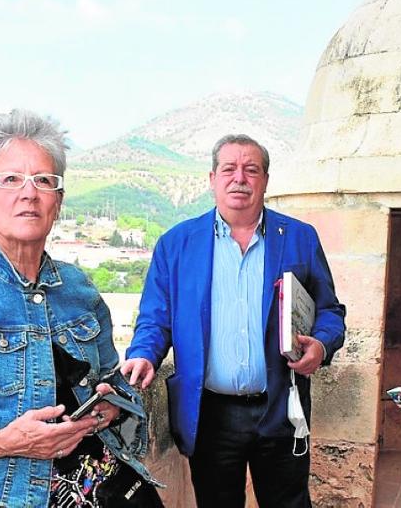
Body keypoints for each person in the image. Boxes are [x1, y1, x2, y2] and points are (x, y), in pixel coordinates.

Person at [0, 109, 162, 508]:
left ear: (58, 201)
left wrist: (108, 408)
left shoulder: (78, 288)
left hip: (114, 493)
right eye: (10, 180)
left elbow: (115, 382)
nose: (29, 193)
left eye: (44, 181)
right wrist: (7, 442)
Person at [120, 134, 346, 508]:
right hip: (209, 416)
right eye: (229, 169)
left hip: (280, 408)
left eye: (251, 169)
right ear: (212, 179)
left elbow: (329, 311)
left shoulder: (299, 238)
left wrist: (321, 345)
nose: (239, 178)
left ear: (265, 180)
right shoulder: (176, 244)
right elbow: (155, 319)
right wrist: (144, 354)